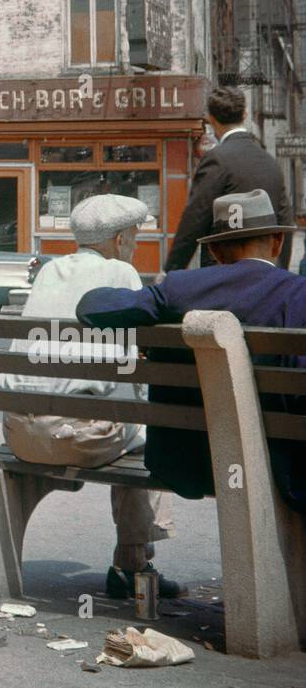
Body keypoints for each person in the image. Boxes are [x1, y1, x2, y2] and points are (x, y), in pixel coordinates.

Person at [77, 188, 306, 514]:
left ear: (213, 249)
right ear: (277, 243)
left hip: (191, 467)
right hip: (282, 470)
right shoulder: (298, 295)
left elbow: (91, 308)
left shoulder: (179, 288)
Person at [0, 194, 180, 599]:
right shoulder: (120, 271)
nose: (134, 244)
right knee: (149, 437)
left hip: (22, 433)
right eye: (133, 235)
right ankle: (133, 565)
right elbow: (131, 364)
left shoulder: (48, 271)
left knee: (122, 421)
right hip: (79, 439)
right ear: (118, 240)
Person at [165, 86, 292, 271]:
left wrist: (171, 271)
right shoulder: (270, 162)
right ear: (245, 114)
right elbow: (284, 221)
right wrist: (280, 271)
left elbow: (196, 217)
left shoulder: (216, 159)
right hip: (266, 273)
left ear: (211, 119)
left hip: (223, 272)